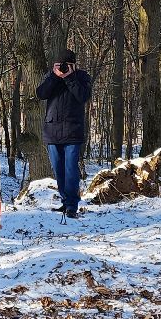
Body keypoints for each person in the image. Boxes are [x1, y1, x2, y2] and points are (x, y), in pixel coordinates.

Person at [37, 48, 92, 218]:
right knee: (59, 169)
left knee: (70, 169)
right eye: (59, 65)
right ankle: (65, 201)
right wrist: (54, 77)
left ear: (74, 65)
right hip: (52, 130)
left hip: (73, 130)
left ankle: (72, 205)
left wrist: (69, 77)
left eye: (66, 65)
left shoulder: (81, 77)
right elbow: (41, 93)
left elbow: (83, 96)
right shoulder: (51, 77)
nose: (62, 68)